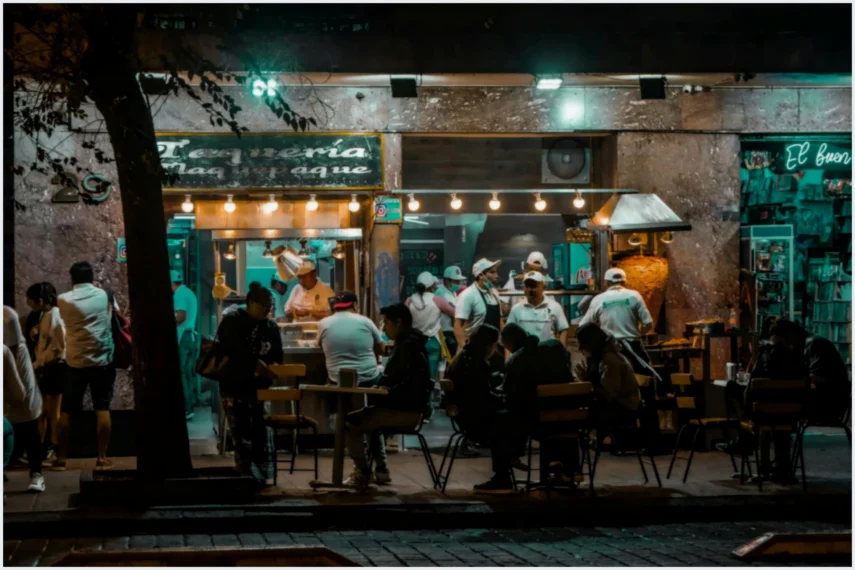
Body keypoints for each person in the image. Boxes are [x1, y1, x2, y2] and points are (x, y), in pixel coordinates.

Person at [344, 303, 433, 490]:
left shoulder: (406, 347)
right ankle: (381, 470)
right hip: (411, 408)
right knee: (368, 418)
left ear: (398, 323)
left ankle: (362, 472)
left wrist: (381, 388)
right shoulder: (413, 343)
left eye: (386, 323)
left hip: (405, 411)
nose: (384, 328)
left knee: (351, 423)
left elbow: (389, 381)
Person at [215, 284, 283, 489]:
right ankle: (244, 473)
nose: (268, 310)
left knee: (260, 432)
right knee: (240, 431)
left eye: (270, 307)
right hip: (234, 386)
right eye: (265, 306)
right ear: (252, 303)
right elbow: (232, 351)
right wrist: (255, 364)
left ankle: (259, 474)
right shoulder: (232, 322)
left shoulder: (270, 328)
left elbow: (277, 356)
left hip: (261, 389)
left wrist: (269, 368)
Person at [55, 262, 115, 471]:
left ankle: (61, 458)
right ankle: (102, 457)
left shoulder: (63, 300)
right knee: (102, 407)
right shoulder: (103, 295)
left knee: (67, 411)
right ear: (92, 276)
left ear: (72, 278)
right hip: (102, 361)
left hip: (75, 362)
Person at [579, 268, 658, 382]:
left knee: (606, 382)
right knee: (645, 379)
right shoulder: (634, 296)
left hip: (608, 349)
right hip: (633, 347)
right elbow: (648, 323)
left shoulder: (599, 299)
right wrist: (637, 333)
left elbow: (583, 326)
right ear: (625, 282)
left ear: (606, 282)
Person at [574, 323, 641, 454]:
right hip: (618, 404)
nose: (580, 348)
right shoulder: (602, 358)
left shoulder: (609, 359)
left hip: (624, 408)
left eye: (583, 343)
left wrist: (585, 380)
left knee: (577, 414)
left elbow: (608, 394)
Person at [4, 306, 45, 492]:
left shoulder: (7, 318)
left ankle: (37, 473)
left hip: (19, 391)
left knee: (29, 430)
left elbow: (21, 389)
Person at [25, 282, 66, 464]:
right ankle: (42, 449)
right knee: (43, 411)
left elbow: (57, 346)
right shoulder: (47, 315)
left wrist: (37, 363)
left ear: (39, 301)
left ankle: (53, 449)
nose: (28, 303)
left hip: (53, 368)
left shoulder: (54, 316)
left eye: (30, 300)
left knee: (52, 412)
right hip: (47, 367)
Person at [317, 291, 385, 385]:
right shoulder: (366, 321)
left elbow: (322, 347)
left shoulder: (323, 324)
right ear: (355, 305)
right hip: (368, 380)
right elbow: (382, 349)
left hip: (337, 382)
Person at [405, 272, 454, 383]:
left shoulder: (410, 300)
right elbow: (454, 314)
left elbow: (403, 320)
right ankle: (430, 397)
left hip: (414, 343)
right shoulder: (437, 300)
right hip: (433, 341)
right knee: (431, 377)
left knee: (415, 373)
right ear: (431, 286)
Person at [454, 258, 508, 351]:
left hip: (493, 348)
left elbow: (500, 320)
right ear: (481, 275)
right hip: (473, 348)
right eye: (492, 272)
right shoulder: (467, 295)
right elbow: (458, 326)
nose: (497, 275)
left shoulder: (494, 293)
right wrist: (465, 351)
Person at [506, 271, 570, 344]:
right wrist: (510, 355)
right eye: (526, 286)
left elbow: (563, 330)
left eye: (533, 286)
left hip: (548, 353)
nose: (529, 290)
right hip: (525, 354)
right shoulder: (516, 309)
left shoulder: (555, 307)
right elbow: (509, 334)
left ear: (543, 287)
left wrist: (561, 352)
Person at [171, 270, 199, 421]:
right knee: (187, 374)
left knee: (181, 373)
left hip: (184, 337)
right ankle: (190, 406)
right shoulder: (189, 292)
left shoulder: (179, 294)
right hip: (190, 337)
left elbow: (181, 316)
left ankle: (186, 408)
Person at [280, 258, 335, 323]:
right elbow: (287, 310)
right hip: (297, 329)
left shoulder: (327, 291)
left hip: (317, 330)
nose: (301, 281)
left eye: (304, 277)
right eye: (299, 277)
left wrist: (310, 313)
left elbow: (332, 314)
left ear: (314, 274)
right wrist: (295, 312)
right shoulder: (296, 289)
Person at [434, 265, 467, 357]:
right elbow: (455, 313)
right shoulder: (442, 293)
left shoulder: (452, 292)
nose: (458, 283)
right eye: (455, 281)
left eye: (459, 281)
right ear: (447, 281)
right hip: (446, 333)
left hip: (452, 331)